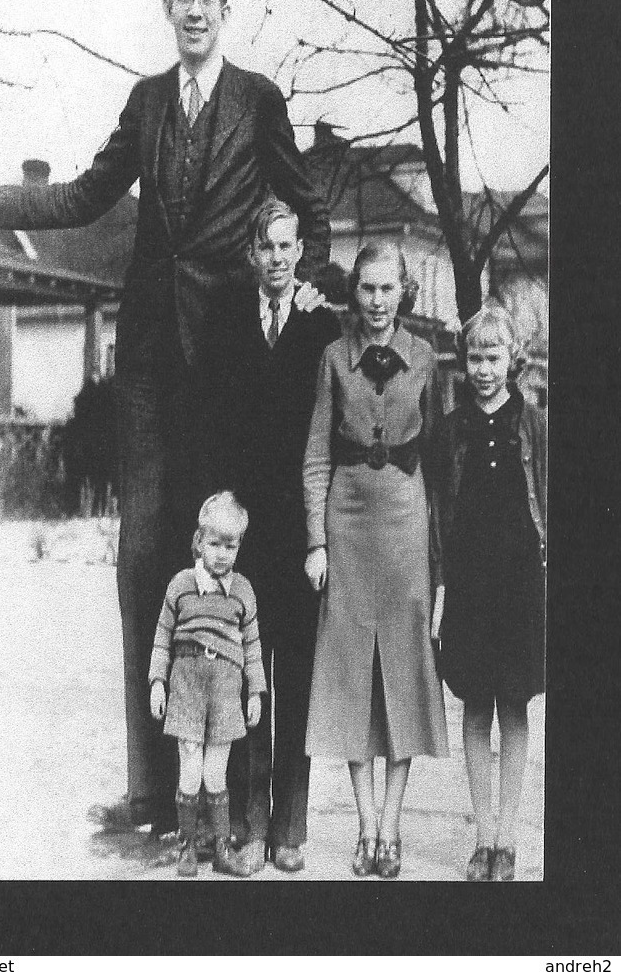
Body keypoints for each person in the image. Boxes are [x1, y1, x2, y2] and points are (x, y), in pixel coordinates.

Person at [0, 0, 330, 840]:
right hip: (151, 354)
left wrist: (311, 282)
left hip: (231, 357)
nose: (195, 11)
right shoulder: (148, 101)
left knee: (237, 561)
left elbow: (307, 208)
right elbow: (82, 195)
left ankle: (238, 795)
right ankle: (154, 793)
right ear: (168, 10)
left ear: (226, 10)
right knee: (144, 561)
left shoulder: (260, 101)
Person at [303, 240, 448, 879]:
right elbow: (314, 455)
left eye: (389, 289)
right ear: (354, 292)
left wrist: (446, 558)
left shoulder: (426, 359)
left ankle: (392, 828)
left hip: (406, 526)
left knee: (404, 677)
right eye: (367, 288)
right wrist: (316, 540)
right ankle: (363, 827)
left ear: (404, 292)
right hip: (349, 523)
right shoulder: (334, 358)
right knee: (352, 677)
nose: (378, 301)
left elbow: (443, 462)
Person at [204, 197, 340, 873]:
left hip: (301, 528)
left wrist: (324, 534)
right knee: (247, 677)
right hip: (245, 526)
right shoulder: (228, 320)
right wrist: (219, 509)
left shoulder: (321, 325)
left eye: (289, 247)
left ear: (300, 252)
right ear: (252, 254)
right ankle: (248, 825)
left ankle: (290, 827)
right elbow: (213, 418)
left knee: (297, 678)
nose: (280, 259)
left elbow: (334, 430)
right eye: (269, 248)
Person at [431, 303, 546, 882]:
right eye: (475, 356)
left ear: (513, 359)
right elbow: (437, 513)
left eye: (494, 356)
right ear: (464, 358)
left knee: (514, 707)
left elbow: (548, 499)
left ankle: (510, 838)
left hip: (521, 581)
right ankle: (483, 836)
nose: (483, 368)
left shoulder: (533, 422)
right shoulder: (451, 429)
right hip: (472, 585)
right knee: (476, 706)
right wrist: (443, 586)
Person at [148, 491, 265, 877]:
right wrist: (157, 684)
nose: (221, 554)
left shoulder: (243, 591)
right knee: (189, 769)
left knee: (216, 773)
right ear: (199, 541)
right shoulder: (180, 584)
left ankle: (221, 849)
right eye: (214, 544)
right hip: (186, 687)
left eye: (230, 546)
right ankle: (185, 847)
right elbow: (163, 636)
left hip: (226, 690)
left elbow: (252, 647)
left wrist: (255, 692)